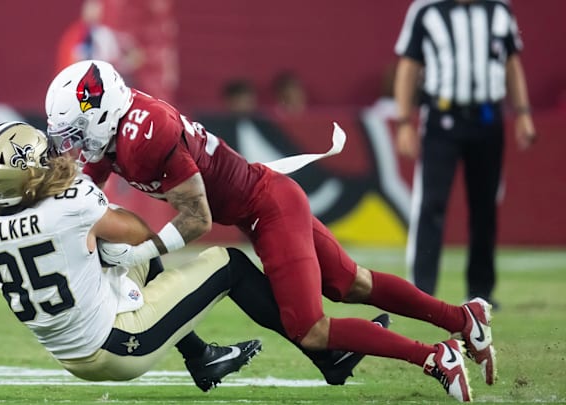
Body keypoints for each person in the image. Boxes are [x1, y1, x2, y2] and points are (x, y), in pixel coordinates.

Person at [44, 60, 501, 400]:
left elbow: (198, 219)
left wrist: (137, 254)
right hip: (259, 204)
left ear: (101, 113)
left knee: (310, 328)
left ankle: (432, 356)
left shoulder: (144, 136)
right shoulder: (116, 131)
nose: (73, 143)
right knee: (351, 283)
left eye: (75, 130)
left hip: (269, 207)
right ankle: (464, 319)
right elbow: (86, 191)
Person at [0, 122, 271, 390]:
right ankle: (317, 346)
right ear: (29, 176)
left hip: (71, 358)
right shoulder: (69, 207)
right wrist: (99, 219)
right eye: (46, 158)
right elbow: (142, 234)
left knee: (138, 259)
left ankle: (202, 356)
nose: (55, 161)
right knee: (231, 263)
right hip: (122, 346)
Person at [393, 0, 537, 307]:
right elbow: (409, 65)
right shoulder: (427, 10)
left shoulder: (499, 10)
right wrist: (405, 121)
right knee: (431, 204)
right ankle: (420, 291)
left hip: (487, 118)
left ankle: (481, 293)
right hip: (442, 118)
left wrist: (523, 112)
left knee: (485, 205)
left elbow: (511, 62)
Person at [55, 0, 142, 79]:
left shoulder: (105, 33)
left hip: (105, 80)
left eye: (96, 9)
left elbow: (133, 56)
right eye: (90, 9)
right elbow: (71, 62)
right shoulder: (75, 35)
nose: (93, 12)